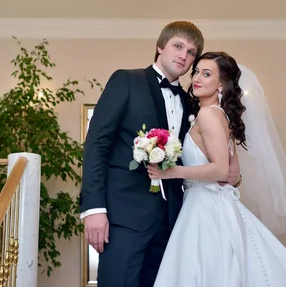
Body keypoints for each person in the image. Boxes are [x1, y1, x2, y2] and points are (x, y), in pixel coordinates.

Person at [79, 22, 242, 287]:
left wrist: (233, 173)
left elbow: (208, 156)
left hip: (175, 221)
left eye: (191, 52)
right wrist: (94, 209)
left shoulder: (194, 103)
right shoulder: (126, 80)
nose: (183, 56)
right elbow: (97, 144)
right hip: (125, 217)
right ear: (160, 46)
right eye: (178, 46)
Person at [148, 52, 286, 286]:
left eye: (207, 74)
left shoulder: (208, 115)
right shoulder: (221, 116)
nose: (197, 78)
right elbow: (233, 174)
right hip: (214, 202)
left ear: (221, 84)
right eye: (196, 71)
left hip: (205, 207)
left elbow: (220, 171)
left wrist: (171, 172)